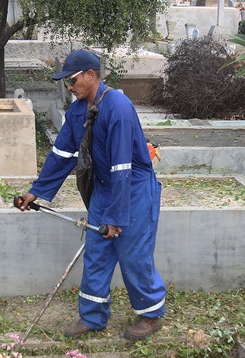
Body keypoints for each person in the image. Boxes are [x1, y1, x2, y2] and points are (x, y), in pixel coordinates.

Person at [18, 49, 166, 341]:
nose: (69, 87)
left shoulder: (118, 107)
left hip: (133, 189)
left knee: (133, 254)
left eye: (72, 80)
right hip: (103, 188)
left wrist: (115, 216)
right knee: (97, 252)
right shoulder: (76, 112)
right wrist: (36, 192)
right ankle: (93, 316)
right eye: (66, 82)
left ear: (91, 75)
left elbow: (122, 166)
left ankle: (151, 314)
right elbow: (61, 154)